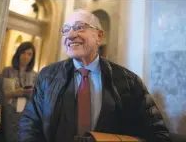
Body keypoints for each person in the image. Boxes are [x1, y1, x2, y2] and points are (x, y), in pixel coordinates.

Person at [19, 9, 172, 142]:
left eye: (79, 27)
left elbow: (157, 134)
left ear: (99, 36)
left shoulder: (129, 82)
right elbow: (30, 124)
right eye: (65, 30)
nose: (70, 35)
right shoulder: (47, 76)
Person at [1, 41, 37, 142]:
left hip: (26, 115)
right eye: (23, 53)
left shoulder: (35, 75)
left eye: (29, 54)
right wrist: (14, 93)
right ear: (18, 54)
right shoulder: (7, 71)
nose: (26, 56)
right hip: (8, 112)